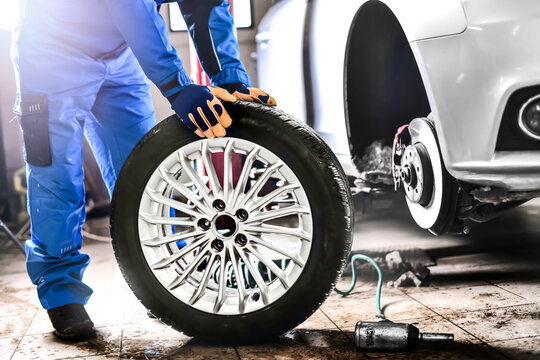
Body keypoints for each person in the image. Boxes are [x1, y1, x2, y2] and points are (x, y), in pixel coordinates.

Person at [11, 0, 275, 340]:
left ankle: (160, 281)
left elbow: (208, 6)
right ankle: (61, 291)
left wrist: (230, 77)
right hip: (50, 48)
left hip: (120, 54)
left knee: (146, 175)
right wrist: (177, 86)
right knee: (57, 178)